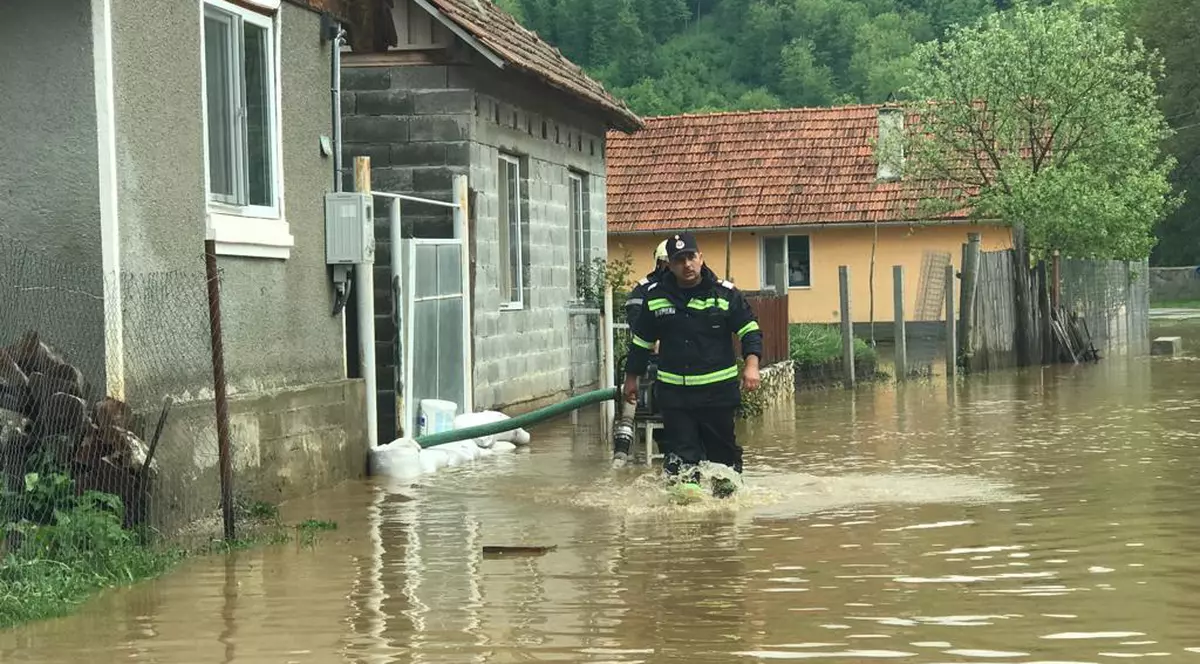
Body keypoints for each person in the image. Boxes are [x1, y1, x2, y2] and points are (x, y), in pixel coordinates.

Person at [622, 232, 763, 498]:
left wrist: (751, 365)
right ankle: (688, 527)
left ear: (701, 258)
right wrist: (632, 378)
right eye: (679, 260)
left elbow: (750, 331)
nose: (686, 265)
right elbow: (641, 342)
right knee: (682, 462)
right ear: (669, 265)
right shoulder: (655, 297)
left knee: (723, 463)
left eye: (690, 257)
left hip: (717, 394)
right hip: (676, 396)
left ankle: (724, 523)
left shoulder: (725, 294)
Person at [612, 239, 671, 466]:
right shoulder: (644, 289)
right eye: (668, 262)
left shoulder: (686, 288)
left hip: (681, 366)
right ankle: (623, 447)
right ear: (660, 263)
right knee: (640, 398)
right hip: (648, 362)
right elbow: (638, 325)